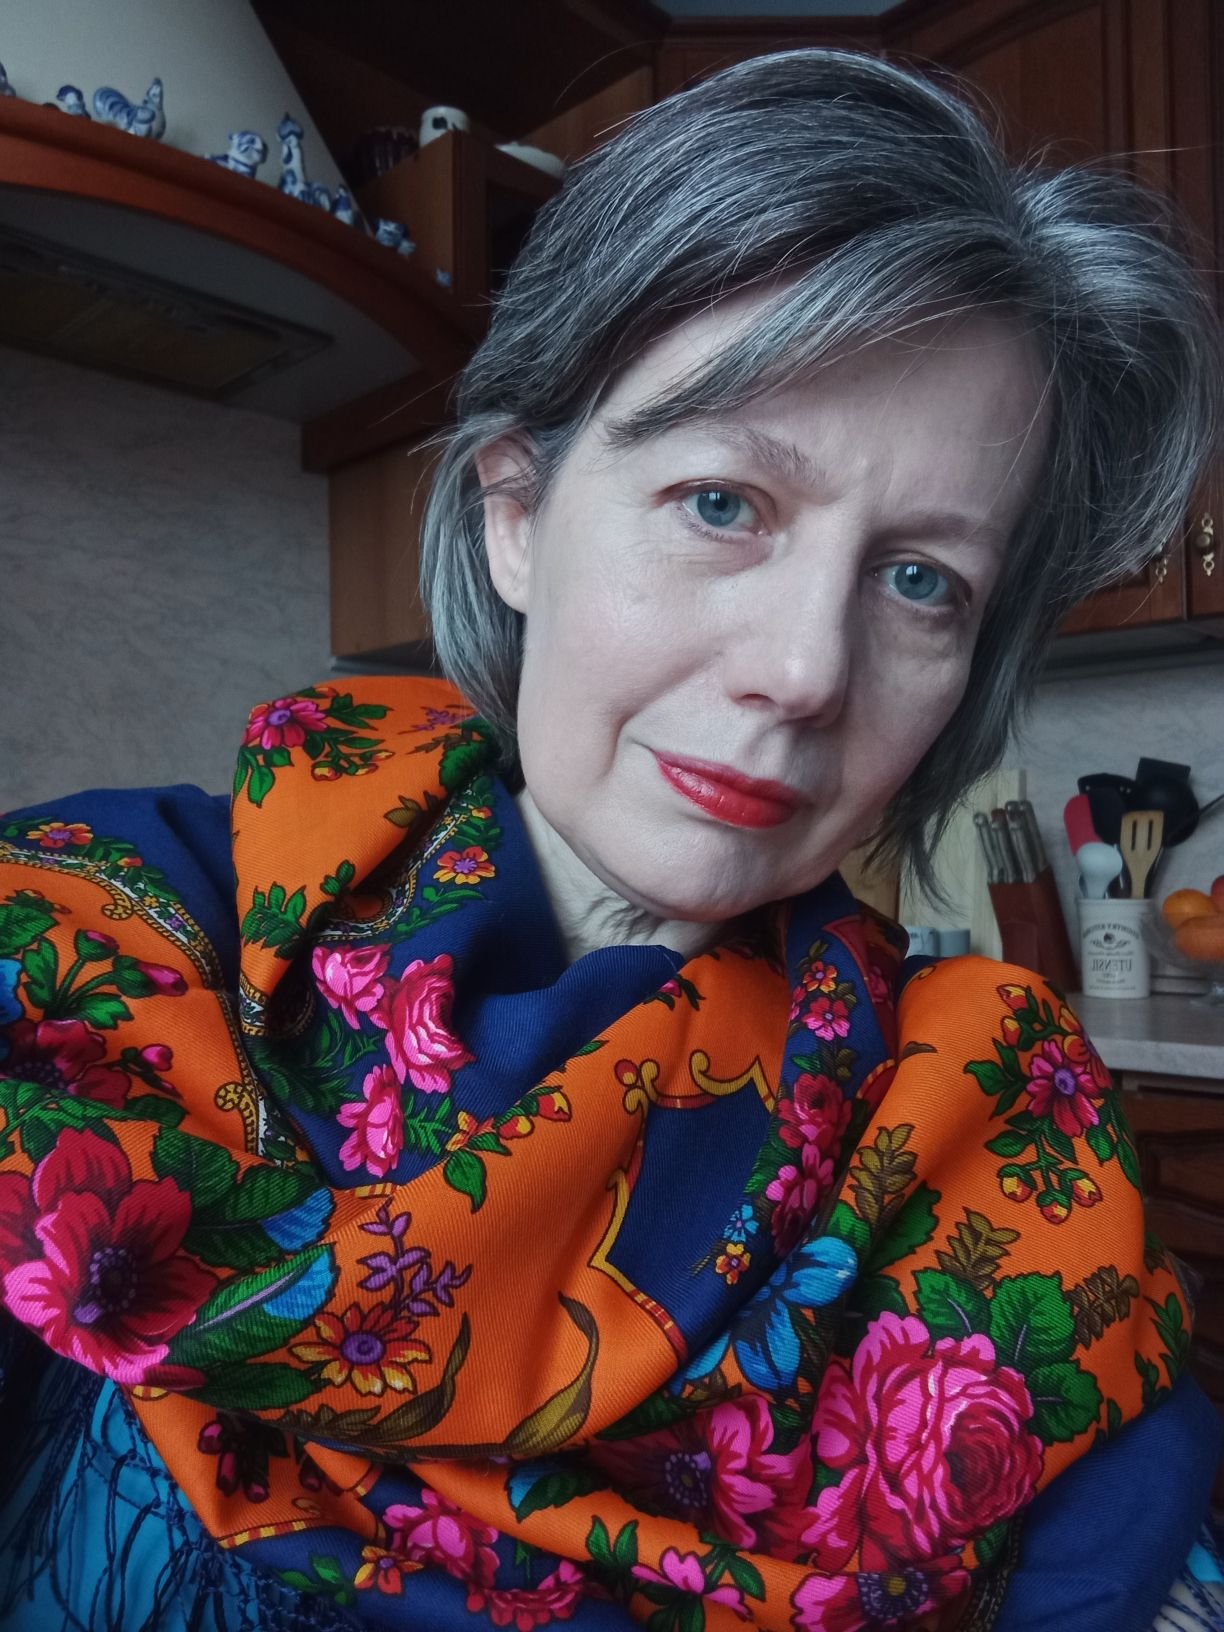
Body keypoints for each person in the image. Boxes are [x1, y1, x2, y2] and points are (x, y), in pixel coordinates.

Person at [0, 45, 1222, 1632]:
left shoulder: (999, 1127)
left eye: (922, 581)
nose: (806, 669)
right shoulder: (110, 946)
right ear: (516, 513)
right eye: (724, 503)